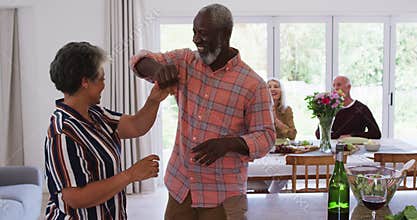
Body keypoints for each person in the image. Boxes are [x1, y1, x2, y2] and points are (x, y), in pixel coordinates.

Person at [130, 4, 275, 220]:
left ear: (225, 34)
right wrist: (158, 70)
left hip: (222, 195)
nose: (196, 39)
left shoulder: (253, 85)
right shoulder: (185, 62)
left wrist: (229, 143)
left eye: (203, 34)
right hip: (181, 187)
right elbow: (139, 61)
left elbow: (266, 137)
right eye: (194, 32)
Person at [44, 42, 169, 219]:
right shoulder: (62, 133)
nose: (104, 85)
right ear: (85, 82)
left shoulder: (95, 113)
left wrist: (154, 100)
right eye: (101, 79)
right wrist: (130, 175)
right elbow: (76, 198)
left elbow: (135, 125)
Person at [315, 75, 381, 139]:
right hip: (333, 148)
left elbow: (376, 133)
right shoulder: (330, 108)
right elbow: (318, 134)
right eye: (334, 85)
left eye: (339, 85)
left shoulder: (361, 108)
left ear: (348, 87)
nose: (335, 88)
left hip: (355, 148)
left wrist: (352, 136)